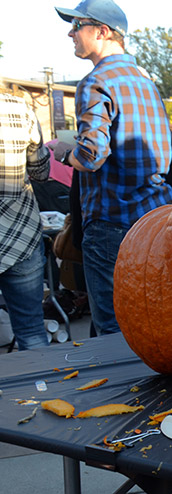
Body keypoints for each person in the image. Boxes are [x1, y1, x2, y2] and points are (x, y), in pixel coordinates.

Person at [54, 0, 172, 335]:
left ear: (103, 32)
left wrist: (66, 154)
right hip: (156, 215)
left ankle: (125, 390)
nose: (71, 33)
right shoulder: (145, 81)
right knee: (156, 319)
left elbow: (92, 156)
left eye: (78, 26)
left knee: (112, 329)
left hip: (112, 221)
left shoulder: (95, 82)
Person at [0, 93, 52, 350]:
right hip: (21, 235)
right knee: (31, 329)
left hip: (21, 236)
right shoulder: (19, 109)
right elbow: (41, 172)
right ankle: (43, 391)